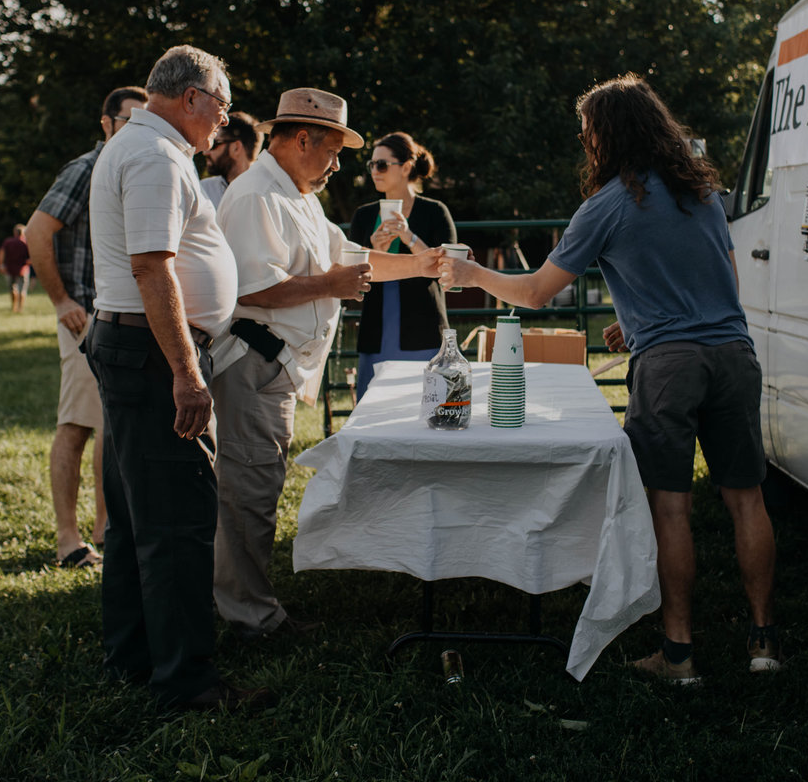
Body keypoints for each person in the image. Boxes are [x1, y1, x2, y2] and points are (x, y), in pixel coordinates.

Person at [438, 74, 779, 684]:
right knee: (746, 498)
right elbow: (721, 276)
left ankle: (679, 657)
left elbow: (538, 292)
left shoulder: (608, 204)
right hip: (733, 353)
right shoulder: (701, 193)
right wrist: (642, 320)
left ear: (606, 136)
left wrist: (472, 273)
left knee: (670, 509)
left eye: (588, 130)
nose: (584, 140)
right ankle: (762, 645)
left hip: (670, 369)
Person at [211, 88, 442, 640]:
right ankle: (250, 618)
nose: (340, 165)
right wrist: (332, 286)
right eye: (334, 151)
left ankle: (248, 605)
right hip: (253, 362)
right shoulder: (255, 196)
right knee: (248, 495)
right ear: (301, 138)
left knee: (258, 489)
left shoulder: (299, 196)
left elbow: (355, 262)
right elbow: (255, 288)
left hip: (277, 367)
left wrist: (424, 265)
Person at [86, 45, 271, 713]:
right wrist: (188, 375)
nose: (224, 120)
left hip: (132, 346)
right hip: (155, 354)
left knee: (137, 519)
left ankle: (133, 656)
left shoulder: (142, 147)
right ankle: (188, 684)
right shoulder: (157, 156)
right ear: (190, 97)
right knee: (180, 524)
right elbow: (152, 267)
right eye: (220, 105)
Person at [26, 85, 146, 568]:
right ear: (106, 123)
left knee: (108, 428)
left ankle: (104, 528)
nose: (132, 131)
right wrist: (62, 301)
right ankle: (67, 540)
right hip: (84, 316)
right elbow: (36, 232)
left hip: (113, 318)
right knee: (76, 426)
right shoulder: (86, 168)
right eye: (126, 122)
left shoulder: (126, 166)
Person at [347, 131, 456, 401]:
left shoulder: (434, 211)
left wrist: (410, 237)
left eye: (382, 164)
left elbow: (450, 268)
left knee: (425, 406)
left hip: (423, 328)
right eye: (371, 164)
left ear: (406, 167)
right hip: (376, 329)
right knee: (372, 406)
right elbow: (348, 274)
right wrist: (374, 252)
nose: (375, 171)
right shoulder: (364, 216)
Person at [199, 111, 260, 209]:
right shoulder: (202, 189)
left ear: (236, 148)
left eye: (214, 144)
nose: (205, 152)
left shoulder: (266, 195)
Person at [0, 223, 31, 313]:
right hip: (23, 269)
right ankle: (20, 308)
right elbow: (32, 257)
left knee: (13, 288)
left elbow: (1, 252)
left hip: (10, 269)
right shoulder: (26, 242)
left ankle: (14, 307)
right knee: (22, 289)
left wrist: (1, 265)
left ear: (15, 232)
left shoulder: (8, 242)